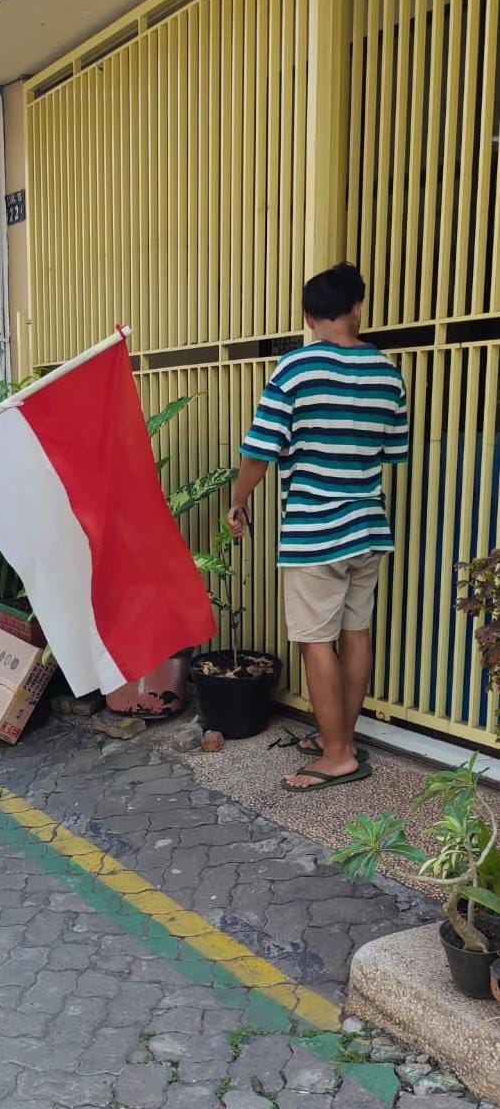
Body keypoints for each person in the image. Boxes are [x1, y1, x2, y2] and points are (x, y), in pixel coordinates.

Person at [227, 263, 408, 792]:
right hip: (367, 528)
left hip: (314, 532)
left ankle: (336, 755)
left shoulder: (295, 371)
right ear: (357, 308)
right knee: (356, 633)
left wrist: (239, 503)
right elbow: (391, 453)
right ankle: (341, 738)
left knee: (314, 641)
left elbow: (260, 451)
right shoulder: (387, 372)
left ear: (307, 316)